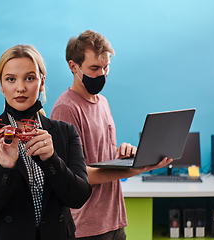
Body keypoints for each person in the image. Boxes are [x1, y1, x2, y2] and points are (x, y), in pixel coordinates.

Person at [50, 30, 173, 240]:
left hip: (114, 220)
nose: (102, 74)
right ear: (74, 66)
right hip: (86, 227)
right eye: (95, 68)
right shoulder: (66, 109)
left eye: (106, 67)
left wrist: (122, 154)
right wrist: (136, 169)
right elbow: (75, 175)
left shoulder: (102, 102)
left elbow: (96, 156)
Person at [0, 44, 92, 240]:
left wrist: (51, 159)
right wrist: (5, 169)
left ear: (42, 82)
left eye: (30, 78)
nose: (21, 88)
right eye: (11, 79)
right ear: (1, 84)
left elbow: (79, 197)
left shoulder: (65, 132)